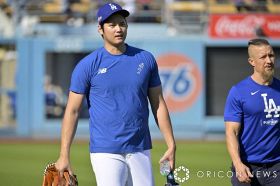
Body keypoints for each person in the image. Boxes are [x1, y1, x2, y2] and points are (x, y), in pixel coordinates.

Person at [55, 2, 176, 186]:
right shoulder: (87, 65)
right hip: (106, 151)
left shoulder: (145, 59)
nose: (118, 29)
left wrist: (171, 143)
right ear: (100, 29)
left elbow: (158, 104)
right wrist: (64, 154)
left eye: (122, 23)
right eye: (112, 25)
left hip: (140, 148)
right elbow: (72, 111)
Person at [224, 38, 280, 186]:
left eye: (271, 55)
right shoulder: (238, 92)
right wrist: (238, 164)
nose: (269, 60)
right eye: (263, 57)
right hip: (247, 167)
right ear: (252, 62)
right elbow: (231, 132)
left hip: (277, 168)